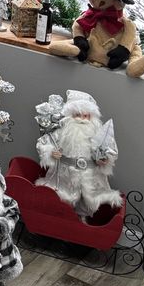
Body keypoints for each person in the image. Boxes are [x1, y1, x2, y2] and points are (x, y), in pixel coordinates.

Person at [35, 89, 122, 217]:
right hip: (65, 174)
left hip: (91, 175)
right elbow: (44, 142)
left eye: (85, 116)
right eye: (77, 115)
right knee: (62, 200)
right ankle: (62, 219)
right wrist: (50, 152)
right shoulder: (62, 130)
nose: (82, 119)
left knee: (88, 202)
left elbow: (109, 148)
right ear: (71, 115)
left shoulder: (98, 131)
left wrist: (105, 159)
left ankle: (82, 221)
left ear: (91, 116)